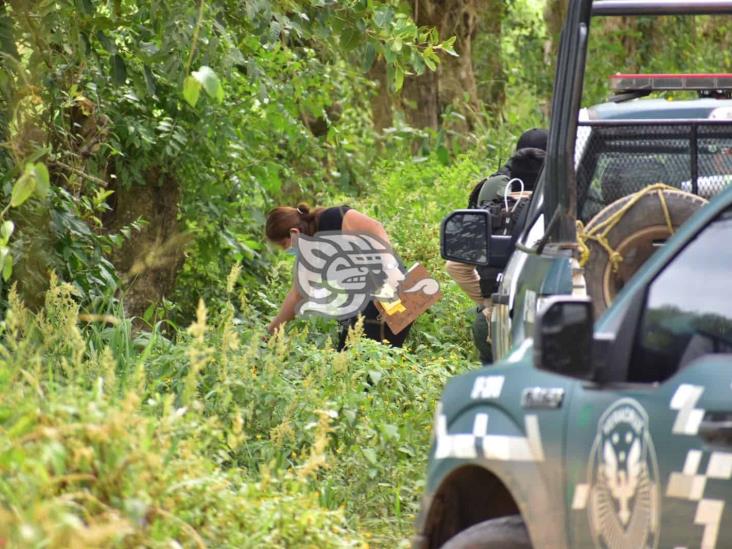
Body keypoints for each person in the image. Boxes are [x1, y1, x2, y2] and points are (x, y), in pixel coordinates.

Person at [445, 128, 548, 361]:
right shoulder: (563, 207)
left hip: (494, 320)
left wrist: (487, 302)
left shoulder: (490, 207)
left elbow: (455, 267)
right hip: (550, 322)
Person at [265, 203, 412, 350]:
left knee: (354, 359)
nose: (286, 250)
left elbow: (375, 227)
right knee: (380, 356)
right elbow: (298, 295)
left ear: (294, 232)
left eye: (284, 244)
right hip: (369, 301)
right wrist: (272, 330)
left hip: (389, 286)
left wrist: (390, 268)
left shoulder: (333, 217)